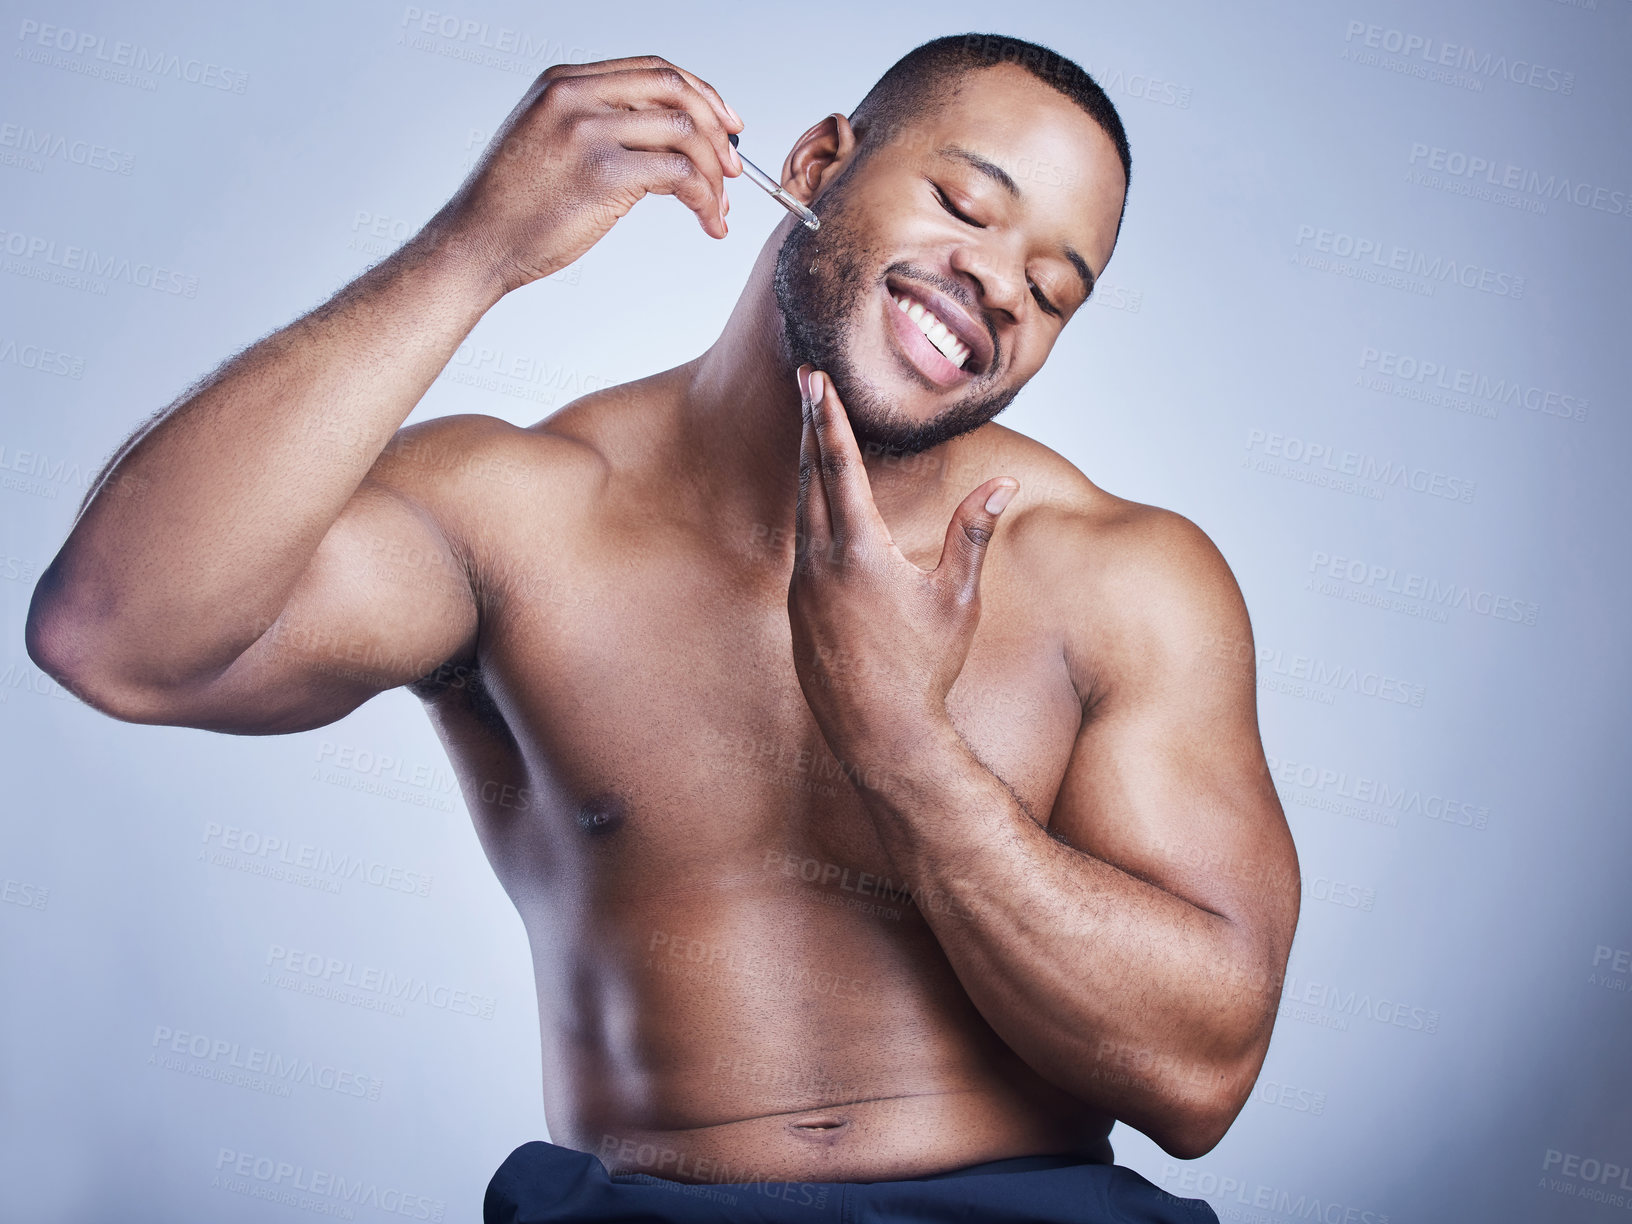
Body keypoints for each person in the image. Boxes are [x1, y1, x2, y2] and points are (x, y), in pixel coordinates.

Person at [27, 32, 1298, 1224]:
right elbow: (115, 632)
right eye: (966, 206)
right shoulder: (520, 514)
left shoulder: (1127, 576)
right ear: (816, 164)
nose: (996, 285)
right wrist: (477, 248)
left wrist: (909, 749)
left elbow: (1200, 1079)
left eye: (1053, 287)